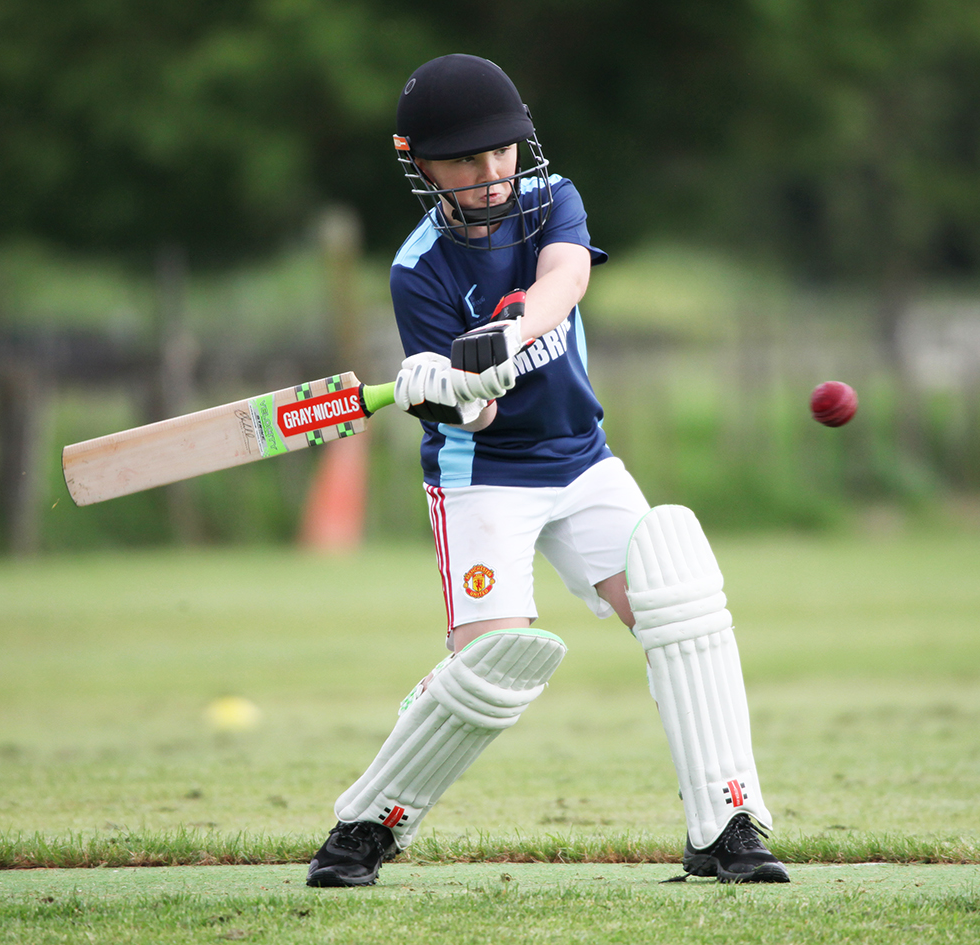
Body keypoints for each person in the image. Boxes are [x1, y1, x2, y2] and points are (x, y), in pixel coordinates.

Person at [304, 54, 789, 887]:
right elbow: (478, 418)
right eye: (464, 159)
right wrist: (446, 391)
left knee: (681, 600)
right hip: (482, 476)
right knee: (494, 666)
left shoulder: (548, 202)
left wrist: (511, 336)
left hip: (581, 459)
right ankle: (365, 826)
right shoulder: (417, 270)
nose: (491, 174)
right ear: (418, 165)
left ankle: (726, 821)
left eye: (502, 151)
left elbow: (566, 278)